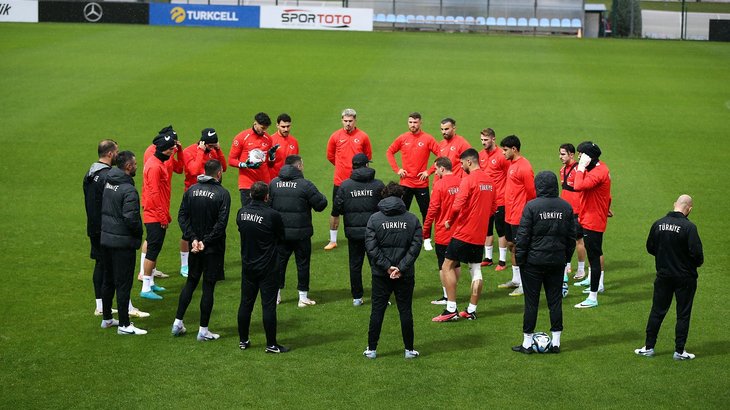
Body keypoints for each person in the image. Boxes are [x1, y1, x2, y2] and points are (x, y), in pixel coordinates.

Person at [512, 171, 576, 354]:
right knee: (555, 301)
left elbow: (522, 237)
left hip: (533, 263)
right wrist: (565, 259)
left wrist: (521, 261)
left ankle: (527, 344)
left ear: (538, 185)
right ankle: (556, 343)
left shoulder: (531, 206)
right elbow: (571, 238)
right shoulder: (566, 207)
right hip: (557, 261)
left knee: (531, 302)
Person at [635, 195, 703, 360]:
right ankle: (679, 351)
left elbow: (650, 247)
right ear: (689, 209)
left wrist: (664, 257)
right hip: (685, 278)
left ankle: (649, 347)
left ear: (674, 205)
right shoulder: (689, 227)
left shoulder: (658, 224)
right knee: (683, 314)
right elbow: (698, 256)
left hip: (664, 275)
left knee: (657, 311)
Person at [432, 148, 496, 322]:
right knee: (476, 270)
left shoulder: (468, 180)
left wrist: (449, 221)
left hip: (464, 233)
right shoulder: (490, 181)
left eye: (461, 163)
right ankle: (471, 310)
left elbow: (457, 206)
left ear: (469, 161)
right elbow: (493, 208)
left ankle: (451, 309)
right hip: (479, 235)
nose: (460, 166)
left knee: (447, 266)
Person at [363, 183, 423, 359]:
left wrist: (386, 267)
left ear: (384, 196)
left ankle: (372, 349)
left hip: (381, 274)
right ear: (401, 197)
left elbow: (371, 247)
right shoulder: (412, 219)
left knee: (377, 310)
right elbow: (416, 246)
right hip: (405, 274)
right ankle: (409, 349)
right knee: (405, 310)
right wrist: (401, 267)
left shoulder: (374, 219)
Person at [173, 160, 231, 342]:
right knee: (208, 286)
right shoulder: (223, 193)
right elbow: (221, 224)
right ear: (219, 173)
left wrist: (193, 239)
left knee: (191, 282)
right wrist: (205, 241)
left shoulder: (191, 190)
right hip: (213, 247)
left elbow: (182, 216)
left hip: (195, 247)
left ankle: (177, 322)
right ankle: (203, 330)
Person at [236, 182, 289, 353]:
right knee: (268, 306)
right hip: (268, 267)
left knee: (246, 303)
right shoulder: (272, 215)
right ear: (267, 196)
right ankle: (271, 344)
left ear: (251, 195)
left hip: (248, 265)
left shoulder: (242, 212)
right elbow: (281, 236)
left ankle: (243, 340)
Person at [269, 155, 328, 307]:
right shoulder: (305, 185)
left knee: (279, 264)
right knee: (303, 264)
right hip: (301, 233)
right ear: (299, 166)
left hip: (280, 234)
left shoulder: (274, 183)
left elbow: (267, 206)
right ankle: (302, 298)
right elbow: (321, 205)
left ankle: (275, 296)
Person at [100, 151, 147, 335]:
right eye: (134, 164)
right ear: (128, 166)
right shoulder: (129, 190)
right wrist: (138, 233)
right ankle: (125, 325)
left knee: (108, 280)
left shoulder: (108, 181)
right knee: (123, 284)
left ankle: (107, 318)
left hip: (106, 239)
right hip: (122, 243)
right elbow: (131, 219)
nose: (136, 166)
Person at [333, 153, 385, 306]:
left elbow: (337, 208)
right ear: (367, 165)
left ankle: (357, 297)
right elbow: (385, 206)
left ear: (353, 166)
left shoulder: (345, 186)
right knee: (376, 264)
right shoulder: (378, 185)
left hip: (353, 233)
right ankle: (379, 295)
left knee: (355, 265)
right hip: (374, 232)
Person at [179, 128, 227, 277]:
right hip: (193, 195)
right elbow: (194, 171)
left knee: (209, 228)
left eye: (214, 145)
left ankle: (206, 260)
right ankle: (185, 264)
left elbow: (223, 168)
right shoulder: (189, 152)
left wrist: (218, 150)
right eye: (210, 145)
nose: (212, 148)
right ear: (202, 142)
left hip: (210, 195)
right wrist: (200, 151)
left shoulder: (213, 151)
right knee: (188, 231)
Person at [139, 125, 184, 280]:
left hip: (162, 200)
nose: (174, 147)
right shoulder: (153, 157)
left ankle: (150, 272)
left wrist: (179, 151)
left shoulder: (164, 156)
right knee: (152, 239)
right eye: (172, 144)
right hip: (152, 202)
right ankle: (143, 273)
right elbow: (153, 189)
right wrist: (162, 215)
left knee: (154, 241)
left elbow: (179, 169)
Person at [324, 108, 372, 250]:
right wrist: (341, 166)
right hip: (340, 181)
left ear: (355, 120)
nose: (348, 124)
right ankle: (333, 240)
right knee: (335, 211)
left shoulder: (363, 136)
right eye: (345, 121)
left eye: (350, 121)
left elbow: (367, 157)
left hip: (358, 182)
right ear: (342, 120)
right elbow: (330, 156)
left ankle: (365, 236)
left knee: (361, 209)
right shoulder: (335, 136)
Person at [573, 141, 612, 309]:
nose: (579, 157)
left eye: (581, 154)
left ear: (589, 157)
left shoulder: (598, 172)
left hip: (593, 220)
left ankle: (593, 297)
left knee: (594, 257)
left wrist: (581, 167)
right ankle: (598, 284)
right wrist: (606, 207)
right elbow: (607, 195)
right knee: (595, 253)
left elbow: (578, 185)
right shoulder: (600, 168)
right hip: (590, 216)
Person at [498, 135, 536, 297]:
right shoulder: (512, 164)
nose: (503, 153)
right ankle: (516, 279)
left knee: (521, 250)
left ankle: (524, 285)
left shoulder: (524, 167)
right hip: (509, 214)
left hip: (519, 216)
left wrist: (528, 214)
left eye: (505, 150)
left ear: (514, 149)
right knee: (511, 245)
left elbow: (532, 193)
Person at [84, 139, 118, 316]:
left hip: (93, 225)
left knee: (100, 264)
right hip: (106, 227)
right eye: (116, 152)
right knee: (112, 266)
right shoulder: (107, 176)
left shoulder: (90, 173)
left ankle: (100, 305)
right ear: (110, 154)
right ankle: (109, 307)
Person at [422, 157, 462, 305]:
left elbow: (432, 210)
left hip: (443, 231)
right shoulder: (461, 181)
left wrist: (426, 231)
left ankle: (447, 297)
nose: (435, 172)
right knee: (456, 264)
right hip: (460, 231)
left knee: (443, 266)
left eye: (436, 169)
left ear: (442, 168)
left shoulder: (439, 185)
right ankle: (453, 293)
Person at [385, 112, 438, 221]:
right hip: (406, 183)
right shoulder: (402, 138)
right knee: (402, 211)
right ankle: (404, 232)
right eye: (410, 122)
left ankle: (426, 233)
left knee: (426, 212)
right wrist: (397, 169)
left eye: (415, 122)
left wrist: (429, 172)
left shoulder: (428, 139)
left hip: (421, 183)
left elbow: (441, 155)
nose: (412, 125)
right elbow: (389, 152)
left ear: (420, 123)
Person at [228, 112, 280, 207]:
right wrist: (245, 165)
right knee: (248, 212)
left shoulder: (268, 139)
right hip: (247, 184)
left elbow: (270, 165)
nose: (264, 131)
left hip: (264, 183)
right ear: (255, 123)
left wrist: (272, 156)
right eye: (262, 128)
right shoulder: (241, 137)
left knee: (265, 213)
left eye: (266, 128)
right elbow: (231, 160)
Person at [478, 128, 510, 271]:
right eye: (482, 140)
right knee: (487, 229)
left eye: (486, 140)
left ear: (493, 139)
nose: (483, 142)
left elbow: (509, 175)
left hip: (500, 199)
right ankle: (488, 258)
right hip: (486, 199)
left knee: (500, 230)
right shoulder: (480, 155)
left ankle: (502, 261)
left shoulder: (502, 156)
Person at [559, 143, 587, 281]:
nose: (560, 157)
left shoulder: (579, 170)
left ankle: (581, 269)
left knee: (578, 241)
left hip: (577, 212)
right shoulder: (562, 170)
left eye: (563, 154)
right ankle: (567, 265)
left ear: (571, 154)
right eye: (560, 154)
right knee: (564, 240)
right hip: (565, 212)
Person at [269, 113, 300, 179]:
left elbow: (296, 162)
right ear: (277, 125)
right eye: (283, 127)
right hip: (276, 179)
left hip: (291, 179)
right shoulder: (271, 141)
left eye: (288, 126)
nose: (286, 129)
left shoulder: (294, 141)